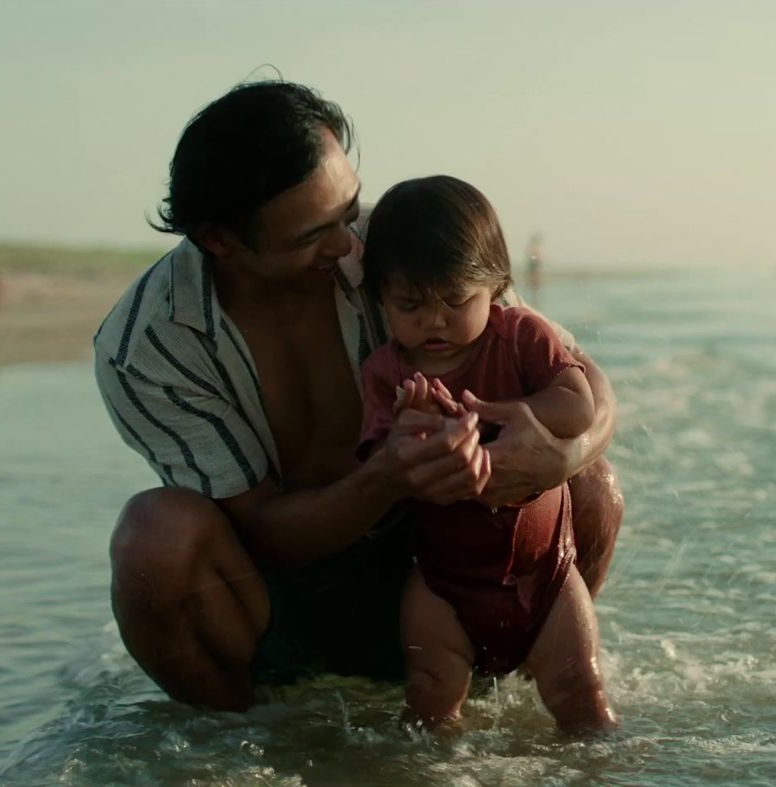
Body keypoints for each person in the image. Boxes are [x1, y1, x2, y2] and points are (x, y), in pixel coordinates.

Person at [91, 81, 624, 711]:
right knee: (151, 539)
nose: (349, 245)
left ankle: (512, 696)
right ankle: (245, 745)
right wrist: (385, 477)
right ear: (220, 239)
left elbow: (583, 377)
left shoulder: (399, 240)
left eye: (347, 212)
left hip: (451, 559)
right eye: (312, 235)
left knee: (591, 482)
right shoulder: (147, 346)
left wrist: (567, 455)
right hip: (282, 596)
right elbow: (259, 530)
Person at [356, 176, 617, 732]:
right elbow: (380, 468)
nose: (434, 320)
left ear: (497, 287)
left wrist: (499, 418)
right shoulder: (388, 375)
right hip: (442, 582)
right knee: (428, 702)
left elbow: (577, 407)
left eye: (456, 300)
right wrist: (410, 434)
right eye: (410, 304)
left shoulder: (522, 336)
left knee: (581, 694)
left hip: (545, 573)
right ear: (379, 296)